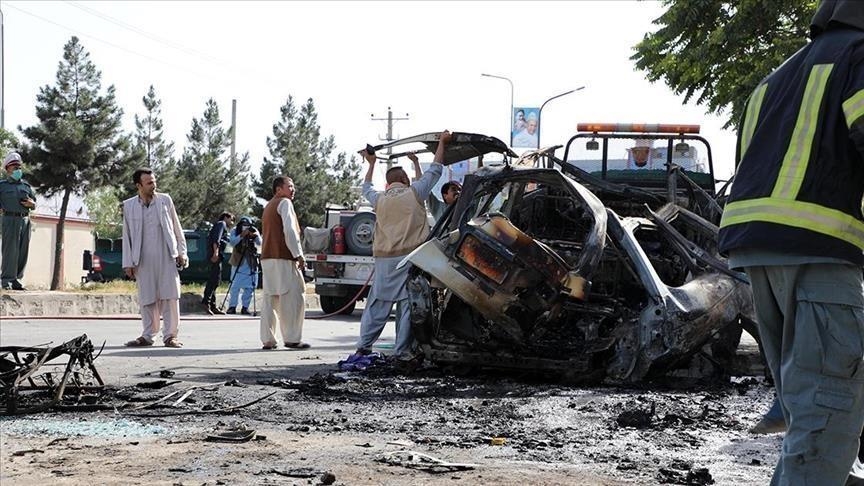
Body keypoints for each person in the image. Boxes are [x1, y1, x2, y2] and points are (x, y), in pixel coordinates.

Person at [718, 2, 864, 483]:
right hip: (819, 248)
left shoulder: (775, 78)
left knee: (810, 408)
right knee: (827, 412)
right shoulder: (860, 57)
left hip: (759, 252)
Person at [353, 130, 449, 364]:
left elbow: (366, 187)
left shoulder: (379, 199)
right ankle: (402, 351)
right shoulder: (414, 194)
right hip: (410, 259)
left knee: (378, 304)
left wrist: (371, 163)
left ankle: (363, 347)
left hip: (384, 260)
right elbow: (435, 171)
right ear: (406, 180)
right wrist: (443, 144)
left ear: (388, 183)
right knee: (407, 305)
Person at [122, 168, 188, 348]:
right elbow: (126, 235)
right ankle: (148, 335)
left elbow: (176, 226)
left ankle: (170, 336)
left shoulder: (165, 200)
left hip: (166, 256)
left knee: (170, 296)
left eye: (154, 181)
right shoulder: (129, 205)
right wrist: (128, 262)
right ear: (139, 185)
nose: (154, 185)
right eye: (149, 183)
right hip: (142, 259)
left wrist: (182, 252)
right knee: (147, 297)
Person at [259, 176, 308, 350]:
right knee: (293, 297)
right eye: (290, 186)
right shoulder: (285, 203)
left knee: (270, 299)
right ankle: (292, 338)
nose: (293, 190)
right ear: (279, 189)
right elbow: (290, 231)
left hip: (267, 258)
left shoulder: (268, 206)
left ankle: (268, 339)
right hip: (283, 257)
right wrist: (299, 255)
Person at [0, 152, 36, 291]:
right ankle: (7, 280)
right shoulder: (2, 185)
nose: (18, 170)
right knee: (10, 250)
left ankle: (17, 280)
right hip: (9, 219)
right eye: (15, 167)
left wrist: (31, 204)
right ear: (7, 168)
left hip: (25, 220)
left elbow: (34, 202)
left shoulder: (26, 186)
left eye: (19, 167)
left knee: (23, 251)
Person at [226, 216, 261, 315]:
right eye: (243, 225)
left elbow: (260, 243)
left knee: (250, 286)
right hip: (238, 261)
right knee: (235, 286)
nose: (245, 227)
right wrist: (241, 235)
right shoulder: (234, 230)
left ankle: (245, 307)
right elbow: (232, 242)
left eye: (247, 225)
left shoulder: (254, 230)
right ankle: (232, 307)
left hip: (251, 261)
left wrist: (254, 236)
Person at [201, 212, 234, 315]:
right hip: (215, 256)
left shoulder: (219, 225)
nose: (232, 222)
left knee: (216, 280)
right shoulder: (221, 224)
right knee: (214, 279)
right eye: (231, 219)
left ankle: (213, 305)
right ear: (226, 217)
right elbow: (216, 239)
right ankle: (206, 302)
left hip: (217, 255)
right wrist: (215, 253)